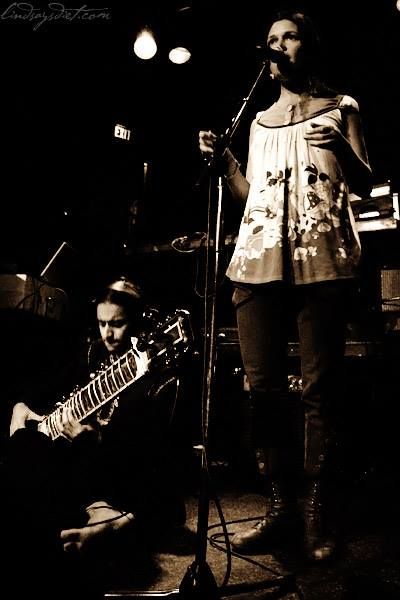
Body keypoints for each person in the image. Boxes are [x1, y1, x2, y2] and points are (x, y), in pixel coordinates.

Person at [199, 9, 372, 561]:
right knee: (263, 391)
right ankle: (280, 509)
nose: (278, 46)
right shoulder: (257, 122)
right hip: (257, 263)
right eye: (271, 39)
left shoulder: (342, 107)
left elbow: (367, 183)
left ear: (308, 46)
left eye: (289, 36)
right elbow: (251, 196)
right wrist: (226, 162)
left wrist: (341, 147)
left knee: (320, 392)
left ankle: (320, 512)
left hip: (321, 261)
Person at [2, 276, 188, 598]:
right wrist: (21, 408)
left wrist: (96, 442)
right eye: (102, 324)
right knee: (29, 453)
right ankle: (98, 523)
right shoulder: (93, 354)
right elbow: (47, 390)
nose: (108, 334)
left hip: (121, 473)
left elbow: (151, 454)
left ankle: (110, 523)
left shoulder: (156, 380)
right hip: (83, 465)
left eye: (117, 324)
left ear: (137, 323)